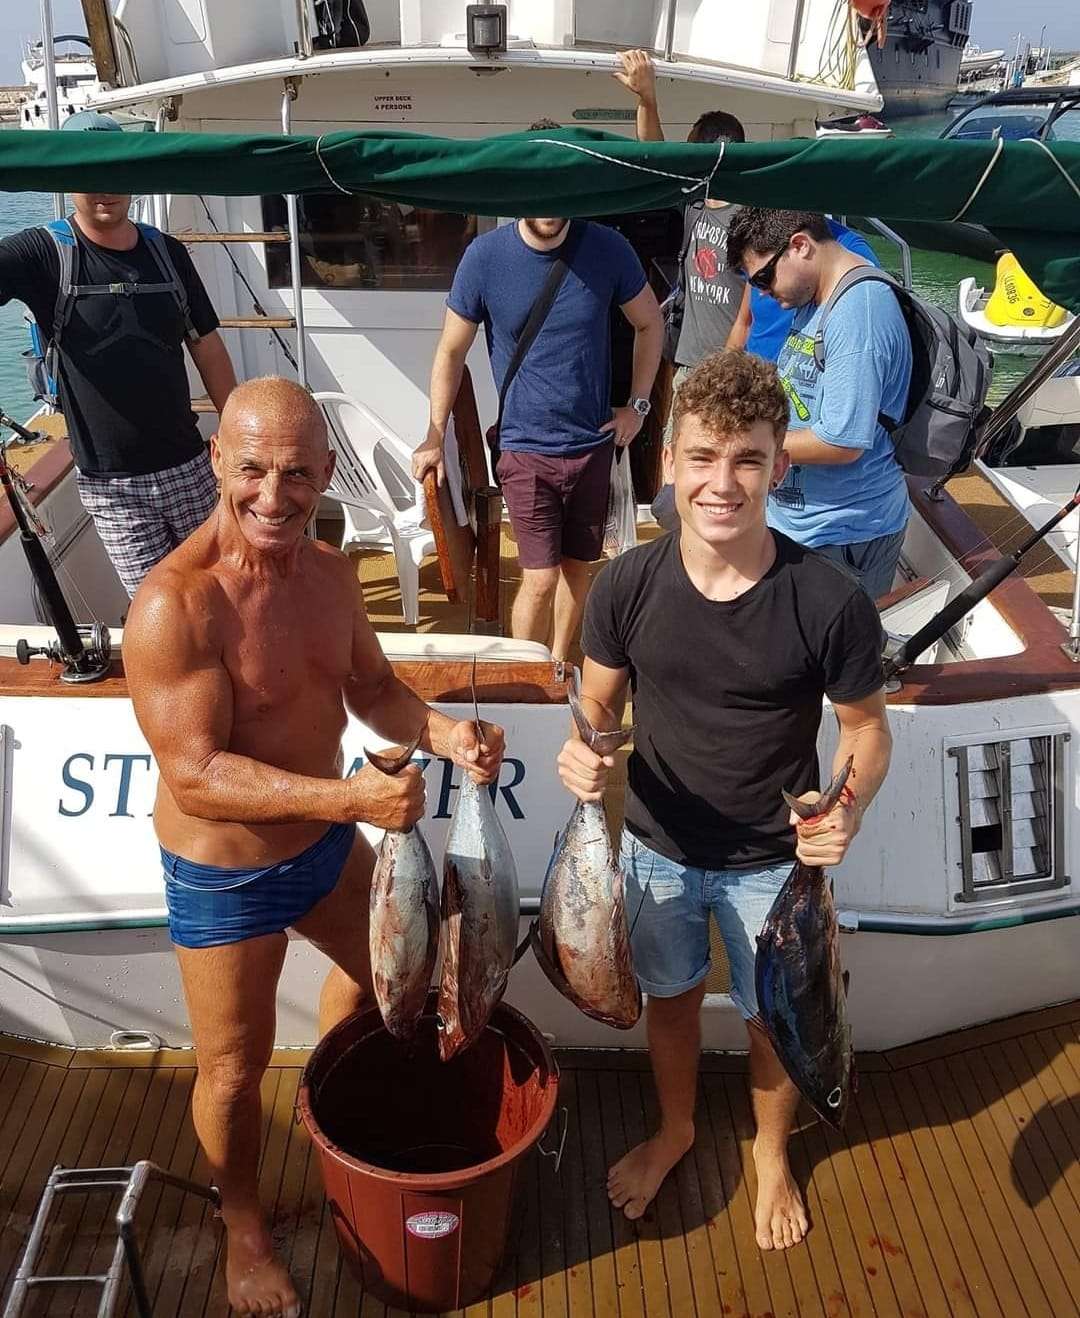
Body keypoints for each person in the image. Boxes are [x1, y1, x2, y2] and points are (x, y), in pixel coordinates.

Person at [124, 378, 504, 1318]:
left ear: (328, 471)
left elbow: (372, 689)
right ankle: (243, 1227)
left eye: (296, 473)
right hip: (226, 875)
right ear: (217, 460)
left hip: (327, 847)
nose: (273, 495)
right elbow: (196, 775)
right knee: (232, 1071)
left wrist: (446, 733)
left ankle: (339, 1097)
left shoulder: (332, 576)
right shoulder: (175, 605)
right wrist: (350, 800)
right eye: (252, 469)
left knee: (394, 984)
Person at [556, 350, 891, 1248]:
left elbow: (865, 729)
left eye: (748, 459)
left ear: (779, 466)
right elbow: (598, 703)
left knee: (769, 1019)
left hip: (774, 864)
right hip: (655, 847)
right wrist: (584, 750)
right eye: (702, 456)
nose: (722, 482)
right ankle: (676, 1129)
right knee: (669, 999)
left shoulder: (829, 600)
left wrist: (847, 806)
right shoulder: (625, 585)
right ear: (668, 460)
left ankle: (771, 1151)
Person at [614, 49, 879, 533]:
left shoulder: (758, 222)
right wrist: (647, 99)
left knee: (729, 477)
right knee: (683, 478)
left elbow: (754, 313)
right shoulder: (695, 205)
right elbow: (656, 157)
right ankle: (689, 549)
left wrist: (739, 366)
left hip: (750, 373)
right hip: (694, 365)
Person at [0, 114, 236, 598]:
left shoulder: (168, 253)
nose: (104, 187)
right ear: (64, 178)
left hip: (190, 469)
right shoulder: (42, 254)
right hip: (112, 488)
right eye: (87, 172)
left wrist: (235, 439)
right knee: (157, 608)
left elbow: (206, 344)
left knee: (220, 592)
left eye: (114, 170)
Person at [411, 214, 662, 661]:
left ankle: (559, 666)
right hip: (524, 450)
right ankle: (526, 674)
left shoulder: (608, 248)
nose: (549, 210)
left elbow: (650, 323)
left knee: (578, 569)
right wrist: (434, 434)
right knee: (541, 577)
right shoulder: (485, 257)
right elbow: (450, 351)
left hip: (592, 445)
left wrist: (638, 406)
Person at [727, 208, 913, 601]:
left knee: (829, 642)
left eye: (763, 278)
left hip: (842, 537)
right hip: (800, 527)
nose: (762, 293)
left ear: (800, 245)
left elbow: (842, 442)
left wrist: (742, 446)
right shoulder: (815, 299)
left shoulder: (859, 312)